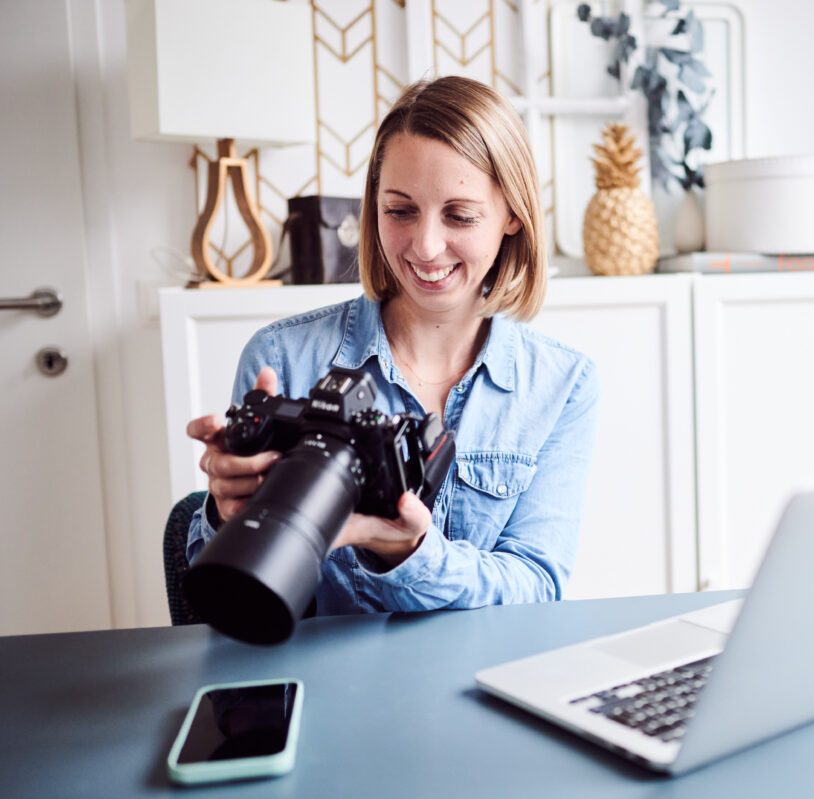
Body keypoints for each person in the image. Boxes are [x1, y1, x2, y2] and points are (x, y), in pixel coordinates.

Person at [185, 76, 600, 615]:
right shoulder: (282, 359)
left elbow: (536, 587)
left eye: (460, 215)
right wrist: (224, 512)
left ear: (512, 217)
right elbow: (226, 601)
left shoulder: (562, 385)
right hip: (325, 681)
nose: (426, 246)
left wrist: (410, 554)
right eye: (400, 210)